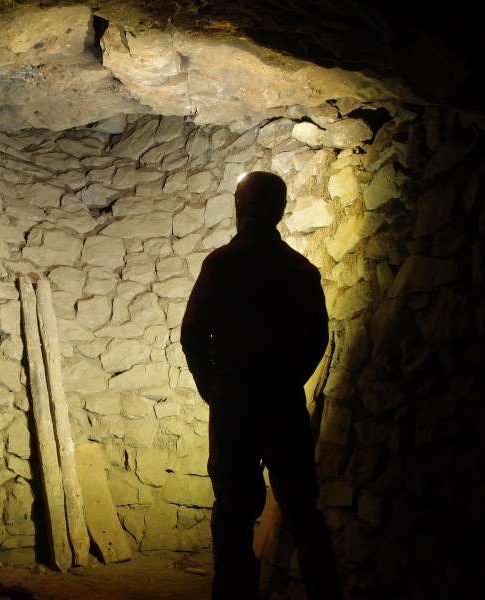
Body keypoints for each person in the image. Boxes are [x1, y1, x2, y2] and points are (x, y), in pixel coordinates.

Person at [180, 171, 343, 600]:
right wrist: (290, 378)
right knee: (303, 509)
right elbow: (316, 338)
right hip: (282, 395)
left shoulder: (222, 263)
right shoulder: (300, 271)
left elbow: (192, 334)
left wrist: (211, 386)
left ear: (241, 208)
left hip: (234, 394)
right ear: (280, 211)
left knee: (233, 509)